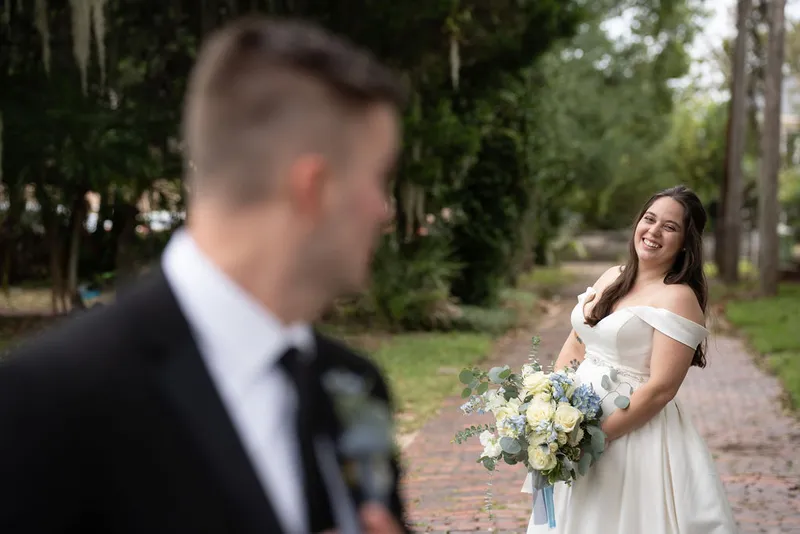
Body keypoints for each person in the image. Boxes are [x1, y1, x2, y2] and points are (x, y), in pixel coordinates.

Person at [0, 16, 408, 534]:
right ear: (315, 188)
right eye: (377, 179)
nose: (384, 211)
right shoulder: (50, 402)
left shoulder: (353, 386)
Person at [523, 186, 738, 533]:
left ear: (686, 241)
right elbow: (576, 346)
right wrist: (551, 408)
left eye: (669, 227)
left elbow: (661, 389)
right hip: (573, 424)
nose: (653, 232)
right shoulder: (612, 275)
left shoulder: (678, 297)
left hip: (633, 434)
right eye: (649, 219)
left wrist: (596, 439)